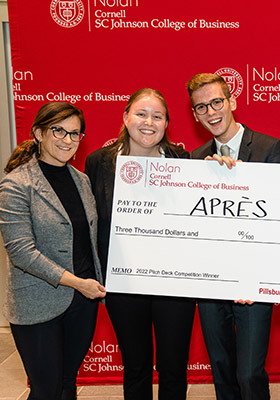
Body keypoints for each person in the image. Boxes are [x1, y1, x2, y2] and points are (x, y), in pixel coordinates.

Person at [85, 88, 196, 400]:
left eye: (157, 116)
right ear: (125, 117)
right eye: (141, 113)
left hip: (174, 285)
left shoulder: (184, 160)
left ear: (166, 124)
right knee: (136, 366)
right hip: (124, 283)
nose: (149, 122)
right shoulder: (99, 163)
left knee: (174, 367)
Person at [186, 73, 280, 400]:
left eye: (217, 102)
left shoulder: (270, 148)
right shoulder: (194, 159)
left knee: (248, 374)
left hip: (254, 283)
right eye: (201, 107)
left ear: (232, 101)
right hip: (212, 283)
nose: (211, 112)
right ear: (195, 115)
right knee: (221, 369)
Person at [0, 102, 106, 400]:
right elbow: (22, 252)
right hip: (38, 303)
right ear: (38, 133)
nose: (67, 140)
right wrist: (77, 283)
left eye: (75, 134)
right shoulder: (16, 184)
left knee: (67, 384)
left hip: (82, 303)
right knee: (45, 390)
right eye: (58, 130)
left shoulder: (81, 180)